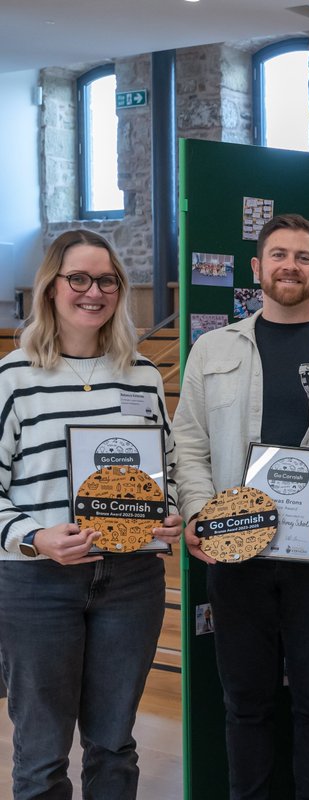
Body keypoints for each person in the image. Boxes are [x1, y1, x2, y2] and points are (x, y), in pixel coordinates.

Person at [174, 213, 309, 799]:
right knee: (246, 701)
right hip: (236, 546)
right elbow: (188, 443)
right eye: (278, 255)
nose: (289, 266)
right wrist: (198, 514)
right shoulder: (212, 349)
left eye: (302, 257)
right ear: (257, 268)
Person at [0, 229, 183, 799]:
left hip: (130, 582)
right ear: (52, 287)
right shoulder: (15, 377)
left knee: (113, 746)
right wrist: (34, 537)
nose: (93, 291)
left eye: (106, 280)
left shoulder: (144, 377)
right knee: (42, 754)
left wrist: (168, 514)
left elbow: (168, 472)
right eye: (77, 278)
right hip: (38, 584)